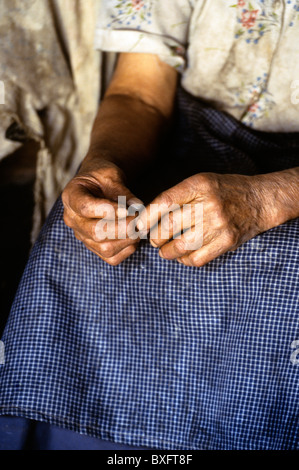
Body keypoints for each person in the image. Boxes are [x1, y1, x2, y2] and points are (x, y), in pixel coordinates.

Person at [0, 0, 298, 450]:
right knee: (80, 237)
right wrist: (102, 166)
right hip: (198, 140)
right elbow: (139, 94)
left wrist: (271, 197)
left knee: (283, 264)